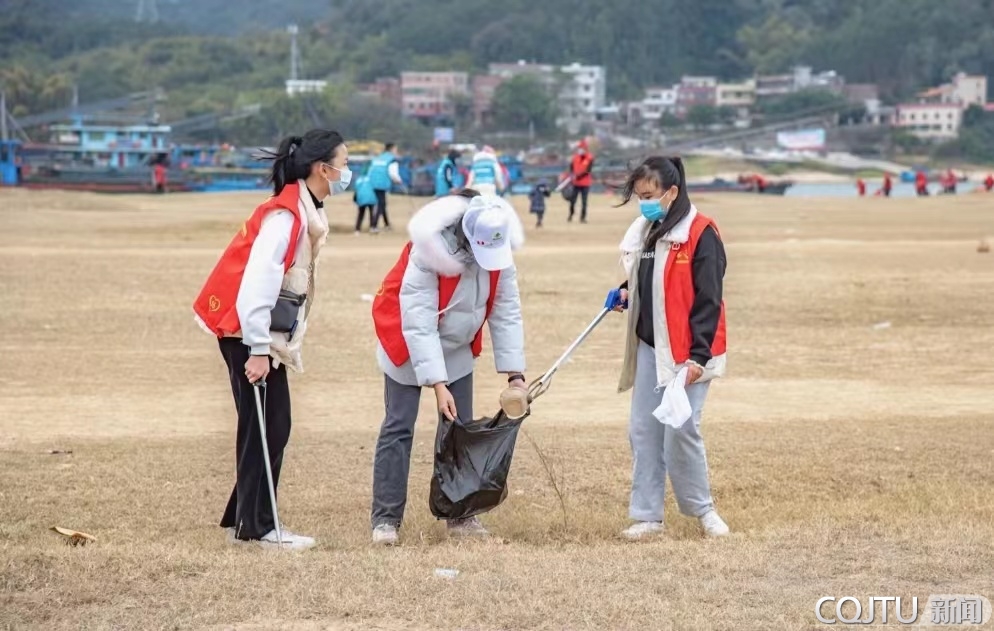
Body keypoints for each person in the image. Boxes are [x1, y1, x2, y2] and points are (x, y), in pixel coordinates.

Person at [192, 129, 350, 550]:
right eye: (345, 164)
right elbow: (257, 287)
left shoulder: (302, 210)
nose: (347, 173)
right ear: (323, 169)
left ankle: (242, 519)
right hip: (247, 333)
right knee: (270, 425)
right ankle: (259, 527)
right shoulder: (285, 218)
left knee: (261, 424)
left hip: (253, 332)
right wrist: (259, 350)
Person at [369, 192, 527, 546]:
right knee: (398, 426)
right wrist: (439, 385)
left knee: (460, 430)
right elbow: (418, 324)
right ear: (463, 233)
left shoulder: (498, 250)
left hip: (456, 346)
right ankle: (385, 519)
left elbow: (506, 311)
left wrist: (515, 372)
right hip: (408, 342)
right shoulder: (427, 253)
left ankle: (461, 517)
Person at [603, 155, 730, 541]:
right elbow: (645, 278)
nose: (644, 202)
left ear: (672, 192)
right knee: (643, 430)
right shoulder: (646, 230)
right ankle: (647, 516)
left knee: (682, 429)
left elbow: (710, 300)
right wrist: (625, 292)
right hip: (649, 348)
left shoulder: (701, 233)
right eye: (640, 196)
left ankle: (703, 510)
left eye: (649, 194)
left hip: (689, 353)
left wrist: (698, 356)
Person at [368, 142, 403, 231]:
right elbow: (393, 173)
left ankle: (387, 224)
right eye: (396, 149)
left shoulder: (378, 158)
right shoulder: (391, 159)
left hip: (374, 183)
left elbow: (370, 170)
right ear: (392, 149)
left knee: (382, 203)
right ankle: (374, 226)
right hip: (382, 183)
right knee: (381, 204)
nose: (396, 151)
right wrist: (398, 181)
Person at [568, 139, 595, 223]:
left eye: (582, 148)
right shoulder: (575, 157)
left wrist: (579, 176)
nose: (580, 150)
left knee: (584, 202)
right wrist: (572, 175)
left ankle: (582, 218)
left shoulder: (590, 158)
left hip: (585, 183)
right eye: (579, 148)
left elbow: (588, 170)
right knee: (573, 200)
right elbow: (571, 167)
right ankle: (571, 214)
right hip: (576, 183)